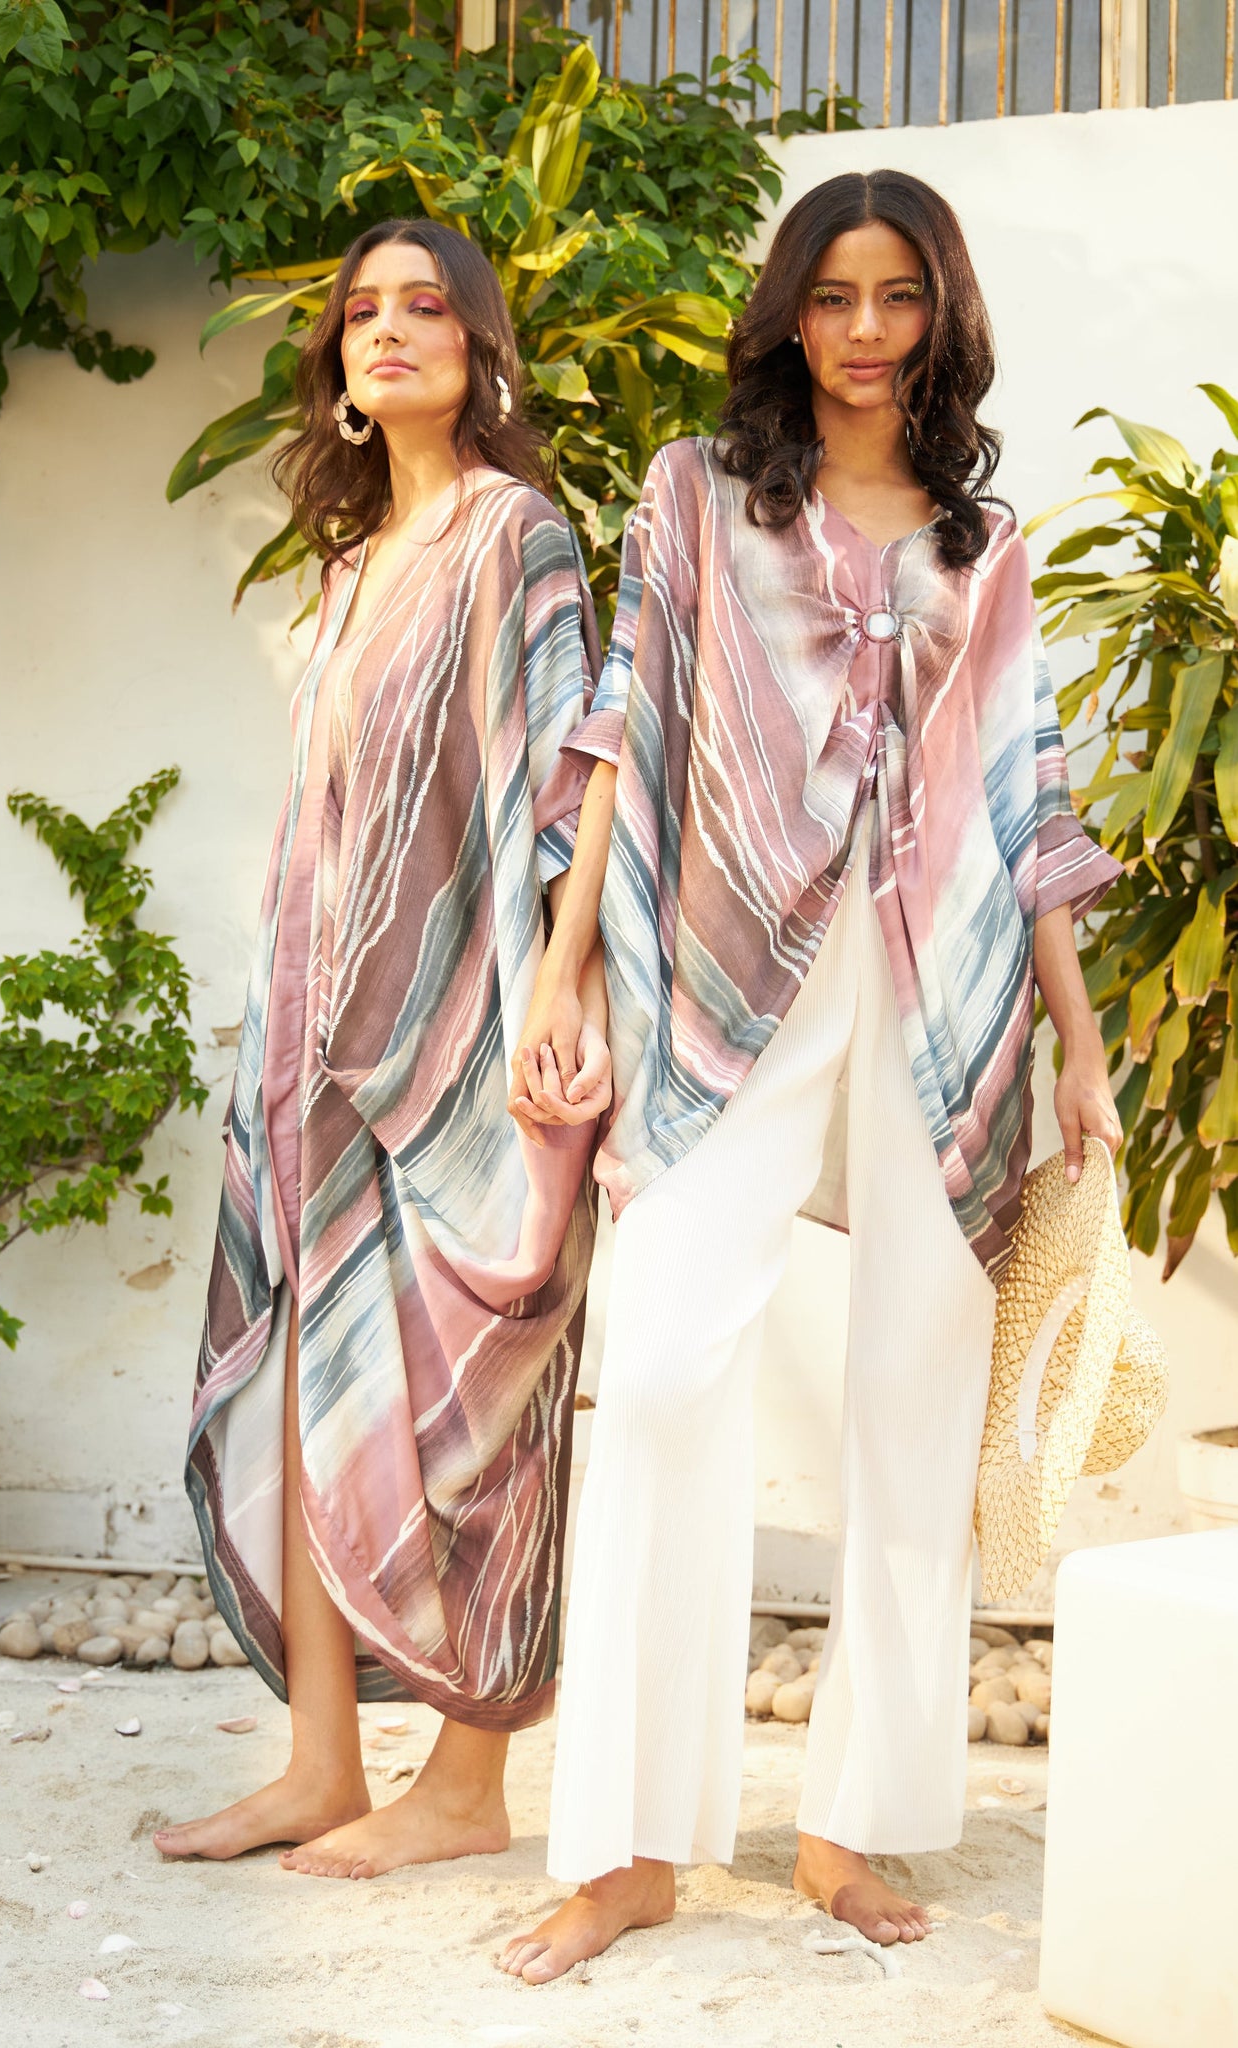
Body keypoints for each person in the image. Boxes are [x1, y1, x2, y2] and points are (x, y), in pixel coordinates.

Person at [499, 169, 1123, 1979]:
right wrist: (565, 967)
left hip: (945, 986)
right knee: (662, 1372)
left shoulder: (980, 541)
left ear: (941, 316)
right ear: (788, 311)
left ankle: (850, 1821)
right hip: (723, 974)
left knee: (914, 1397)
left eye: (898, 296)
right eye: (834, 296)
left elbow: (1027, 794)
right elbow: (620, 722)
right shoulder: (697, 495)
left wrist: (1080, 1049)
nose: (864, 331)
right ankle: (628, 1847)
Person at [156, 219, 613, 1879]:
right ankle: (321, 1765)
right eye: (362, 312)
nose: (388, 331)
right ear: (338, 364)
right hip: (319, 1038)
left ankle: (468, 1787)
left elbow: (577, 780)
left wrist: (561, 996)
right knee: (308, 1374)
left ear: (480, 347)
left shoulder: (516, 535)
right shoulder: (351, 567)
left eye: (427, 307)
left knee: (485, 1400)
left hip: (476, 1039)